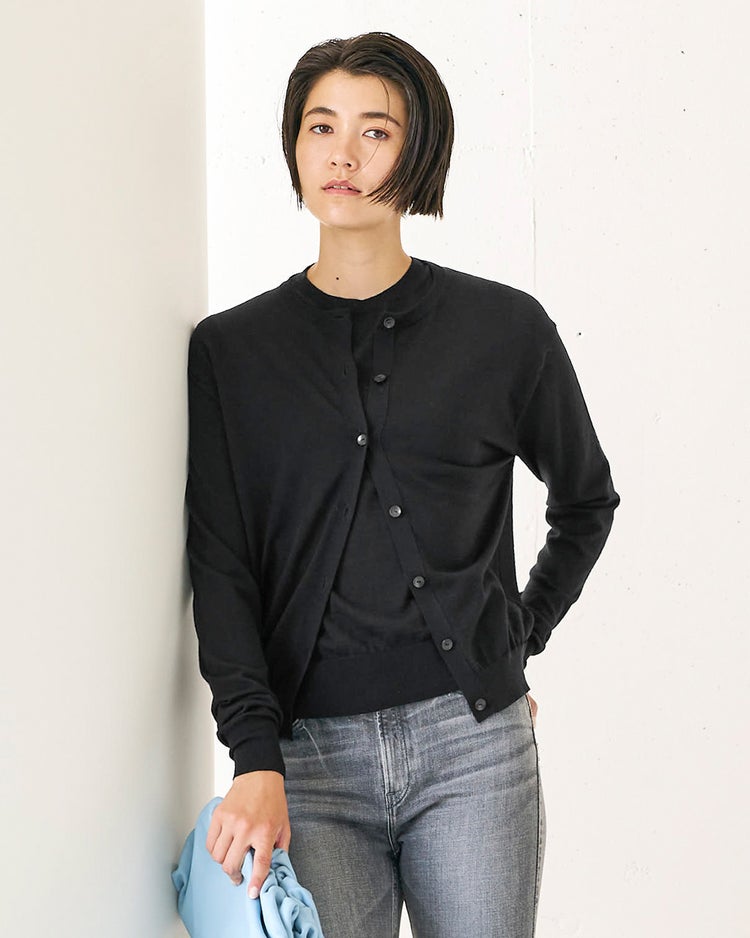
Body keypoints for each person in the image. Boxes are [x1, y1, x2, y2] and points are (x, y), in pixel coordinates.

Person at [185, 31, 620, 938]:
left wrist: (515, 638)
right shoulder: (233, 352)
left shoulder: (504, 331)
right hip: (307, 763)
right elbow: (222, 565)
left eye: (375, 132)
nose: (342, 155)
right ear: (293, 146)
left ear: (419, 152)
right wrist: (253, 754)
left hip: (474, 750)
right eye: (320, 127)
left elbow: (585, 502)